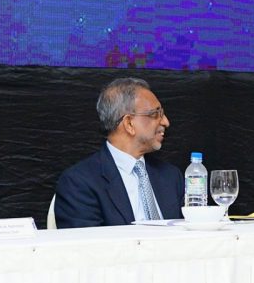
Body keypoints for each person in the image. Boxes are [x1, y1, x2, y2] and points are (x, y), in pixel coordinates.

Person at [55, 78, 184, 227]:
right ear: (129, 123)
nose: (166, 122)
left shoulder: (171, 176)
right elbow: (86, 241)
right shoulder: (79, 183)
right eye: (156, 114)